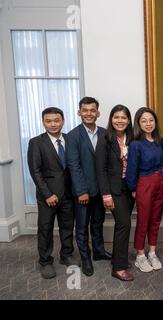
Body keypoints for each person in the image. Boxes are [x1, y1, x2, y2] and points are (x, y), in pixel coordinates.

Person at [27, 107, 79, 279]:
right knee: (46, 228)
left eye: (57, 120)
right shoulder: (36, 143)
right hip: (48, 195)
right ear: (43, 122)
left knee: (67, 226)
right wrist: (47, 194)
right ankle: (45, 261)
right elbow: (35, 171)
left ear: (63, 121)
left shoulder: (70, 139)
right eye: (49, 121)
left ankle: (66, 254)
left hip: (68, 194)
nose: (53, 124)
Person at [66, 97, 111, 277]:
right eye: (85, 110)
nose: (89, 114)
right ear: (79, 112)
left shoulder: (105, 133)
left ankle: (99, 251)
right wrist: (81, 191)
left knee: (97, 223)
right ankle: (86, 258)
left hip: (100, 190)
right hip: (83, 192)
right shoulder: (73, 135)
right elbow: (73, 165)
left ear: (98, 113)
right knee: (82, 226)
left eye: (92, 110)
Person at [96, 105, 134, 281]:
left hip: (128, 188)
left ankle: (120, 259)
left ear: (128, 120)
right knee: (124, 224)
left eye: (123, 117)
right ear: (111, 119)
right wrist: (106, 195)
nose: (120, 120)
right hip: (113, 190)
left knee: (123, 225)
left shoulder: (132, 138)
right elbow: (100, 169)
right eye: (116, 117)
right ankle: (118, 268)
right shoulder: (105, 138)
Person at [127, 108, 163, 273]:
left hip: (159, 183)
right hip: (144, 183)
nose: (148, 124)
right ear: (138, 123)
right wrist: (133, 189)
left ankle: (152, 252)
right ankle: (140, 255)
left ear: (155, 122)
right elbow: (131, 169)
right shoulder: (136, 144)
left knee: (156, 220)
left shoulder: (159, 141)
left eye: (151, 120)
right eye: (144, 121)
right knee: (143, 220)